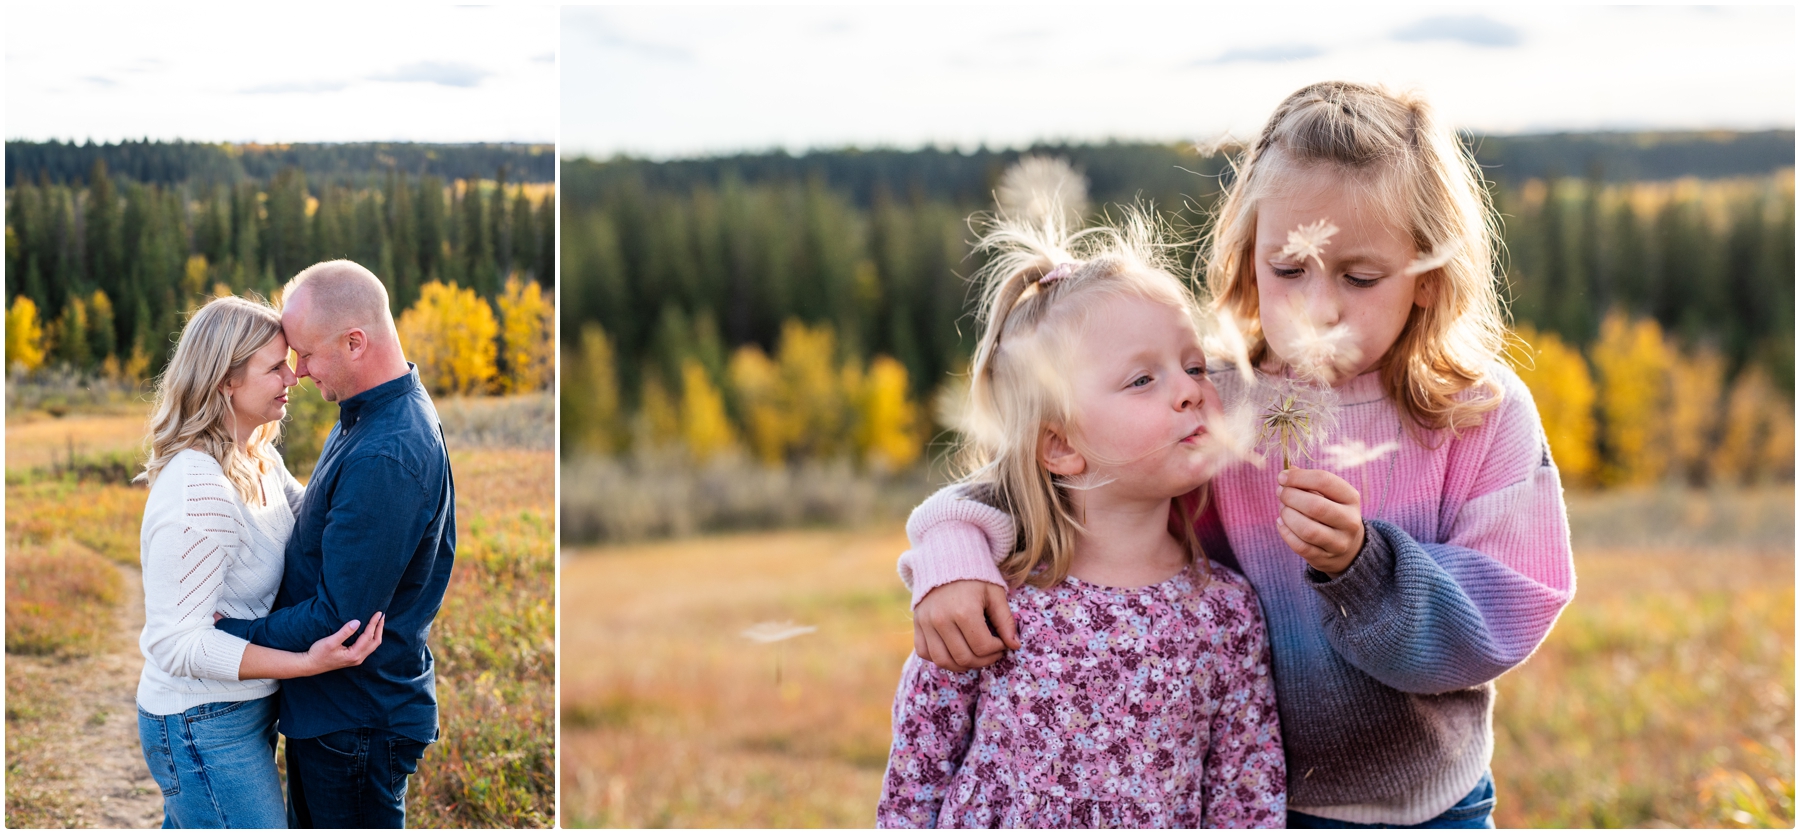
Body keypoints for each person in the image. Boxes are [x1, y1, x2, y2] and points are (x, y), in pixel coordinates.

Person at [898, 81, 1576, 828]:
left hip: (1434, 805)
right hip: (1259, 799)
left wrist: (1364, 568)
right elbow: (1032, 475)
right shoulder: (1213, 399)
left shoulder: (1476, 412)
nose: (1318, 306)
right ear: (1249, 256)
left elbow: (1512, 604)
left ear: (1429, 275)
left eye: (1359, 277)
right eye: (1288, 268)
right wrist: (952, 556)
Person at [875, 211, 1285, 828]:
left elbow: (1245, 798)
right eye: (1142, 379)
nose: (1190, 390)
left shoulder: (1225, 612)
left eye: (1195, 366)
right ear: (1061, 445)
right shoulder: (988, 596)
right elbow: (917, 775)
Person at [215, 260, 456, 829]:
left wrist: (231, 636)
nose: (296, 372)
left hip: (354, 721)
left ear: (355, 342)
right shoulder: (366, 414)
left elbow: (338, 620)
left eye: (305, 354)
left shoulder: (386, 452)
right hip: (338, 712)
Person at [136, 294, 385, 829]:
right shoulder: (199, 491)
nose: (294, 377)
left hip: (244, 709)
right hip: (200, 720)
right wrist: (307, 663)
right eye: (275, 368)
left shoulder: (258, 456)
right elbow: (175, 643)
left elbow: (315, 527)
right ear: (226, 381)